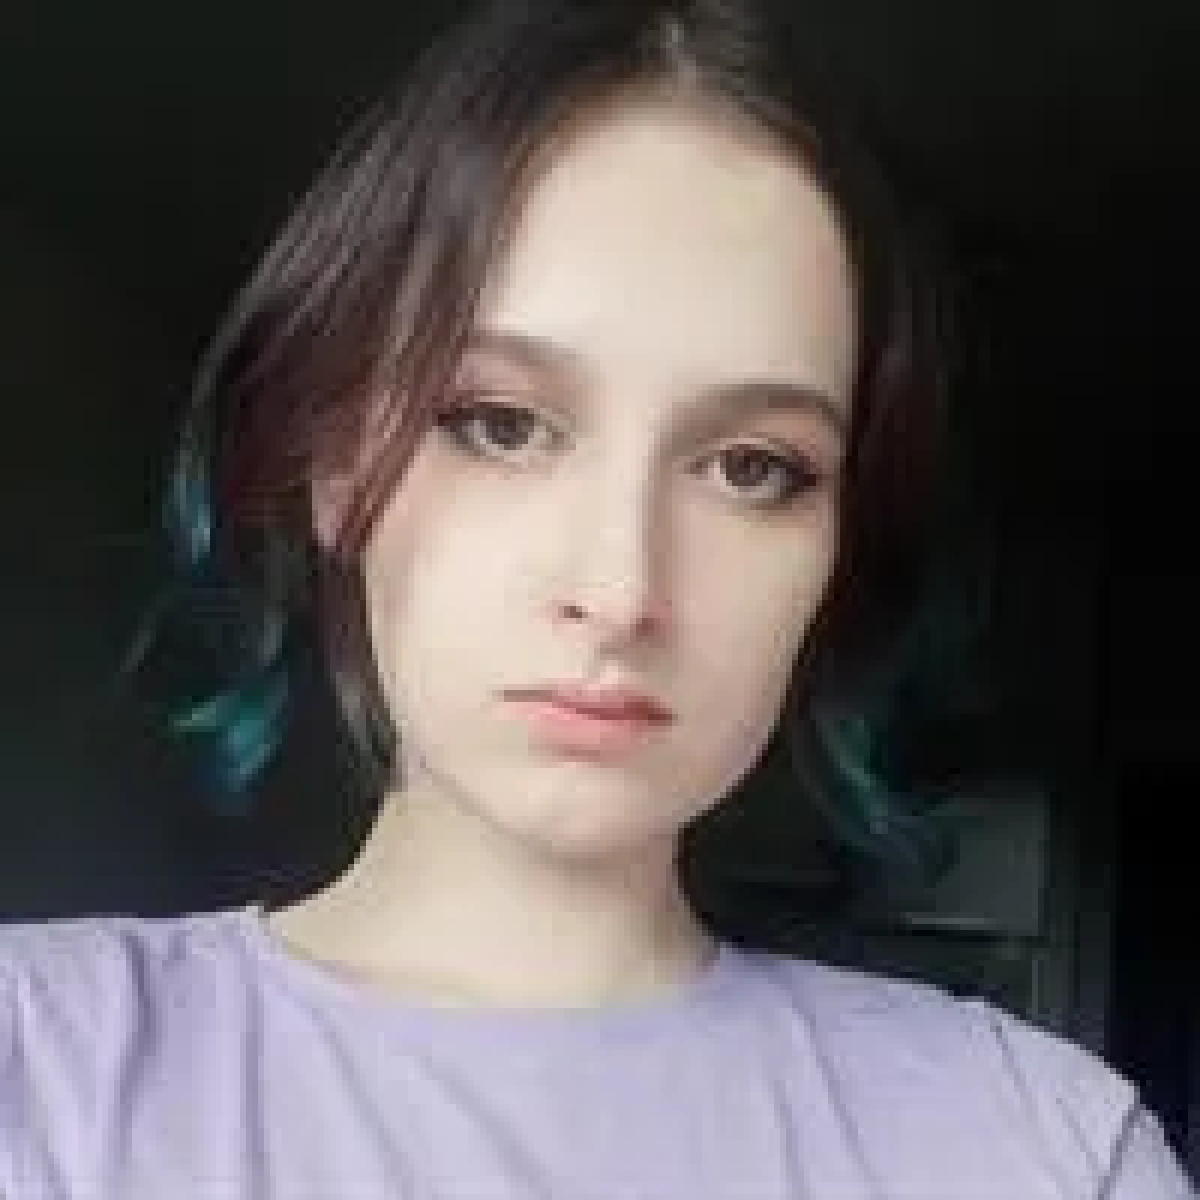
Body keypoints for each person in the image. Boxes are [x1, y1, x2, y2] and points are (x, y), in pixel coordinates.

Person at [1, 0, 1193, 1195]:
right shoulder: (39, 1069)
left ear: (836, 548)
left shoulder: (1045, 1148)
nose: (621, 591)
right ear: (339, 471)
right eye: (500, 424)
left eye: (751, 469)